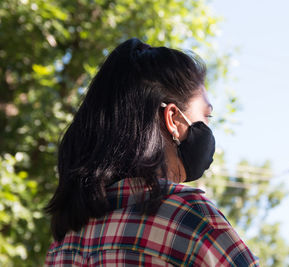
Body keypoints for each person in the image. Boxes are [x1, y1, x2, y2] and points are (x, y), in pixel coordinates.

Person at [44, 38, 259, 266]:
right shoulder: (191, 221)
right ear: (173, 119)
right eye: (206, 116)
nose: (208, 127)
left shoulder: (64, 243)